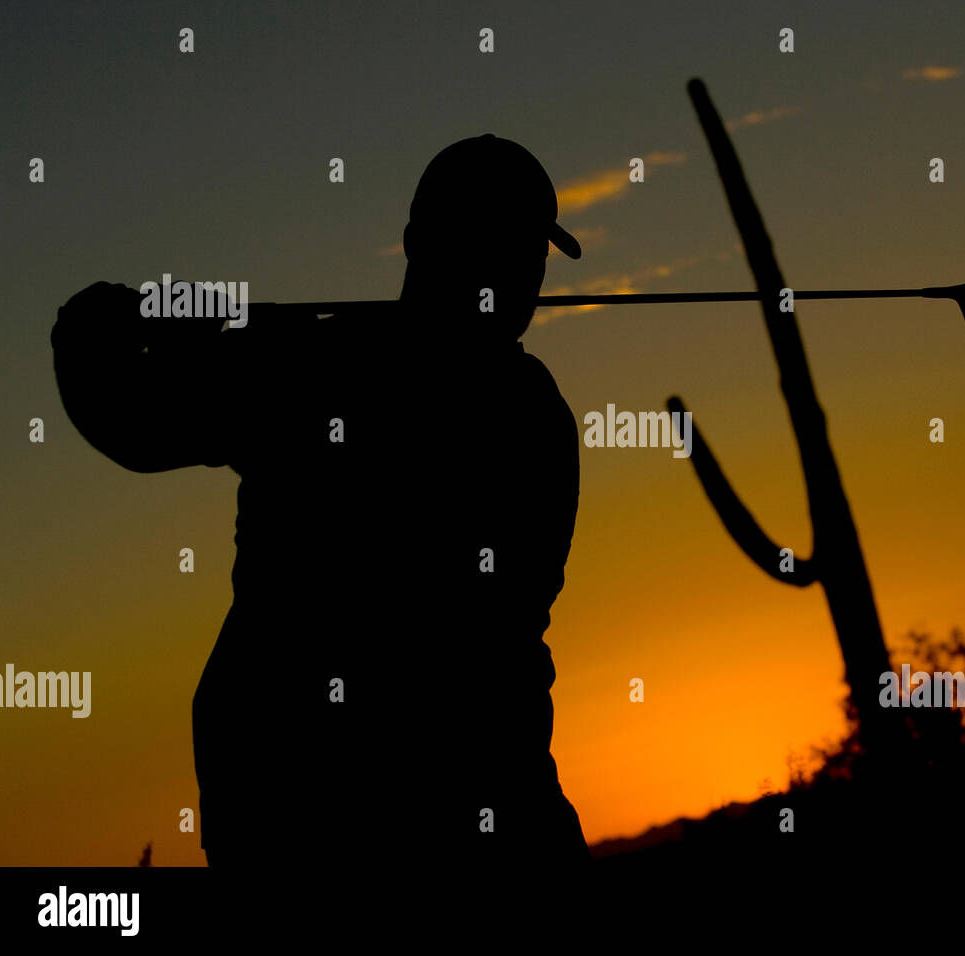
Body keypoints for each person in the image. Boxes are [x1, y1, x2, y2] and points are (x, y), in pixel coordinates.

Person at [51, 134, 590, 877]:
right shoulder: (526, 411)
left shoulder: (314, 369)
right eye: (502, 244)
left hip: (334, 798)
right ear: (418, 245)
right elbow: (137, 426)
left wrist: (89, 336)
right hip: (430, 800)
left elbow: (129, 419)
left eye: (527, 250)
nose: (520, 271)